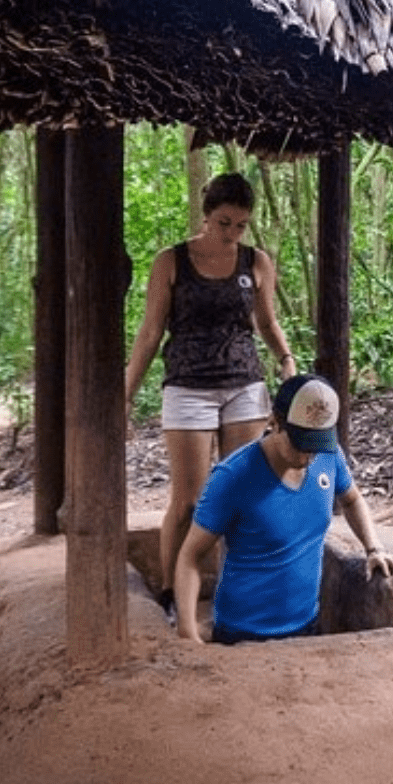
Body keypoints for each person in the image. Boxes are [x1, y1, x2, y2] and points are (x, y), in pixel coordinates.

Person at [125, 172, 297, 625]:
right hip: (187, 386)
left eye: (241, 225)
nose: (232, 233)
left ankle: (233, 592)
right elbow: (149, 333)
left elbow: (266, 323)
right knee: (189, 500)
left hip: (243, 384)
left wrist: (287, 360)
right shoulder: (172, 261)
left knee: (239, 494)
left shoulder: (256, 262)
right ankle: (169, 591)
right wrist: (124, 396)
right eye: (224, 223)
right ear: (206, 215)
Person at [175, 375, 393, 644]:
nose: (309, 456)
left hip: (307, 625)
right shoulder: (233, 477)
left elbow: (352, 499)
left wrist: (373, 547)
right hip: (243, 634)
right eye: (300, 443)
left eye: (317, 444)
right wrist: (188, 631)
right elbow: (190, 556)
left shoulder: (329, 455)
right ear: (274, 423)